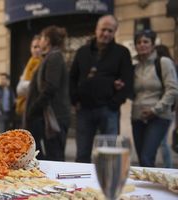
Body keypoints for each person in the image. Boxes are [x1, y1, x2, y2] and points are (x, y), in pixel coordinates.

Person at [69, 15, 133, 163]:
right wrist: (75, 99)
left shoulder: (122, 52)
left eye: (110, 30)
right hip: (84, 110)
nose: (106, 33)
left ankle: (108, 184)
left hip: (109, 110)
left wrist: (115, 103)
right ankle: (82, 185)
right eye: (103, 29)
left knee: (109, 155)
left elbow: (127, 81)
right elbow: (72, 77)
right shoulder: (82, 52)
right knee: (82, 155)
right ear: (96, 29)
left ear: (115, 31)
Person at [131, 30, 178, 167]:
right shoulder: (135, 67)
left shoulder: (163, 62)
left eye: (146, 41)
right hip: (138, 117)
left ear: (152, 44)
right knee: (142, 160)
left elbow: (173, 89)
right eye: (138, 42)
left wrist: (155, 110)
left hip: (159, 116)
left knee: (147, 157)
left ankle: (151, 188)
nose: (142, 45)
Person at [24, 26, 70, 161]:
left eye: (43, 37)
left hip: (56, 116)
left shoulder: (55, 57)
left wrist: (34, 108)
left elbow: (50, 87)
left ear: (48, 40)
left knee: (55, 156)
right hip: (50, 116)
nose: (40, 41)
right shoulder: (50, 57)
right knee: (49, 154)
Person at [155, 44, 177, 168]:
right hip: (169, 108)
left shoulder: (165, 65)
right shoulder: (172, 65)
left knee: (163, 142)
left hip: (166, 109)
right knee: (162, 142)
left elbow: (173, 90)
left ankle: (169, 168)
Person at [16, 35, 42, 127]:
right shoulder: (29, 63)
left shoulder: (43, 63)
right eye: (34, 47)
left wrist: (22, 85)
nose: (36, 50)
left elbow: (30, 87)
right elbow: (20, 89)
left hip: (36, 108)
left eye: (39, 47)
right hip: (26, 107)